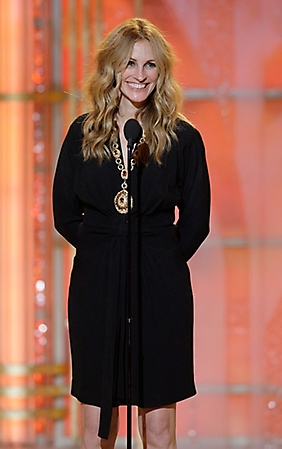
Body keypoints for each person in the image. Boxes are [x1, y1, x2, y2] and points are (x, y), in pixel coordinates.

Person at [53, 17, 210, 449]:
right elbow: (64, 214)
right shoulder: (81, 135)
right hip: (97, 286)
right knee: (97, 427)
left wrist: (159, 261)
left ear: (162, 73)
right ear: (112, 70)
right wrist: (103, 253)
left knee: (158, 431)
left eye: (150, 65)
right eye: (129, 64)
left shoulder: (183, 139)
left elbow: (197, 221)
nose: (139, 75)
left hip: (161, 290)